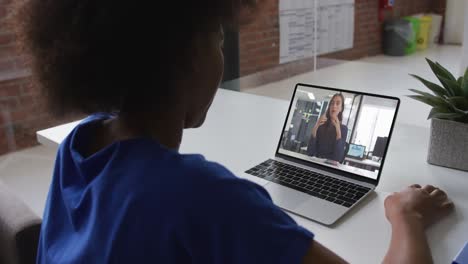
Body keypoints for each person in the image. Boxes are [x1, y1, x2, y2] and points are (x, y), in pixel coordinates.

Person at [13, 0, 454, 263]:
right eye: (218, 41)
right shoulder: (201, 195)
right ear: (184, 56)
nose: (220, 56)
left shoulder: (80, 145)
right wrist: (406, 216)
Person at [307, 94, 348, 162]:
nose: (334, 106)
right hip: (316, 164)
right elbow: (310, 152)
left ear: (341, 108)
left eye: (337, 103)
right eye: (332, 103)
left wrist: (338, 130)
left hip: (329, 167)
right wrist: (316, 127)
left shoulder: (343, 129)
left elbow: (337, 158)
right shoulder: (321, 126)